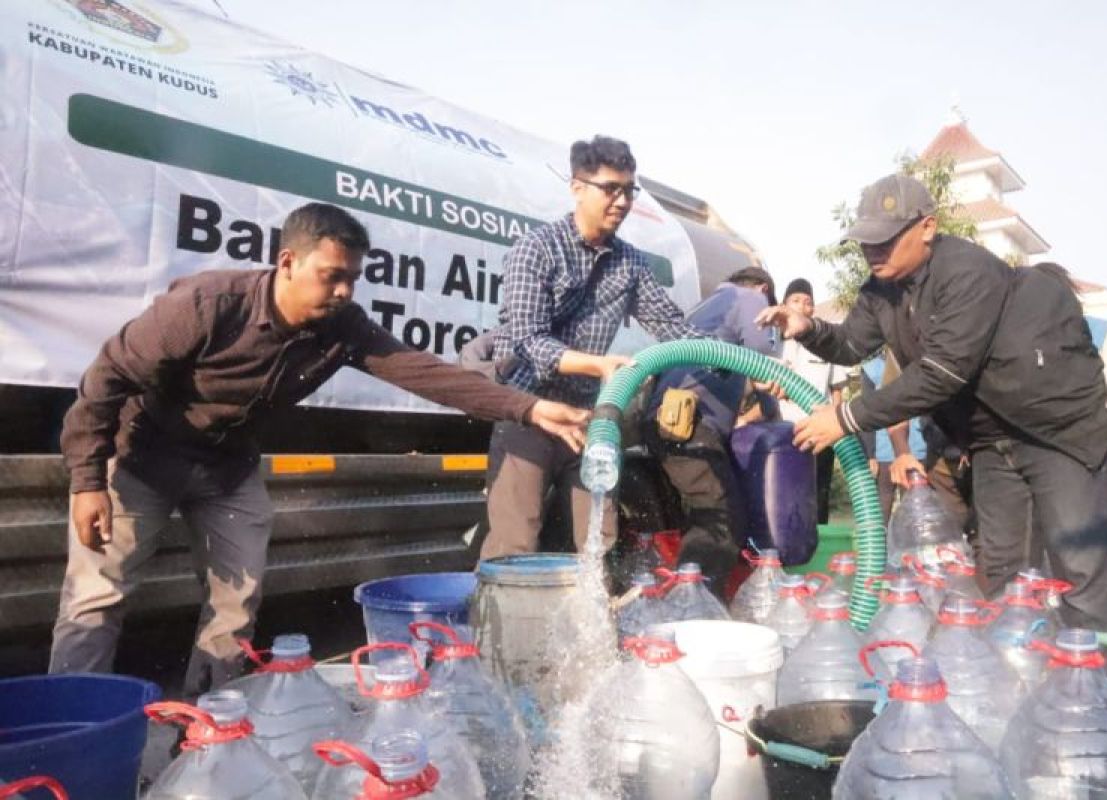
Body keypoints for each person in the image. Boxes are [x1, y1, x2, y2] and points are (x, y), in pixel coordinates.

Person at [50, 203, 588, 696]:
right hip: (144, 458)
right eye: (332, 276)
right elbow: (107, 378)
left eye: (353, 278)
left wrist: (530, 408)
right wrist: (88, 480)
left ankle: (211, 724)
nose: (344, 292)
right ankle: (69, 724)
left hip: (226, 472)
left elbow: (425, 373)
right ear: (288, 262)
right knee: (97, 597)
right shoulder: (207, 305)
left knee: (235, 609)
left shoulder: (342, 329)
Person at [758, 173, 1107, 672]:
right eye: (865, 241)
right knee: (1002, 574)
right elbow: (852, 344)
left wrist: (845, 417)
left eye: (885, 239)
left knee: (1082, 568)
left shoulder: (968, 272)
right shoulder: (882, 287)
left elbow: (942, 374)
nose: (873, 250)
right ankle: (1014, 689)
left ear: (927, 227)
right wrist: (807, 329)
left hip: (1059, 434)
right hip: (993, 440)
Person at [480, 135, 698, 560]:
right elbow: (526, 340)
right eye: (610, 189)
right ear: (577, 187)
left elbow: (672, 327)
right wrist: (598, 366)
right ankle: (500, 627)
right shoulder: (537, 248)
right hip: (530, 412)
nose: (621, 201)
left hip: (589, 421)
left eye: (629, 191)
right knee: (514, 545)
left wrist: (743, 364)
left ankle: (595, 626)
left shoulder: (631, 262)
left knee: (600, 544)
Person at [644, 267, 779, 593]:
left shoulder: (706, 307)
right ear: (763, 288)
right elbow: (765, 362)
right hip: (689, 423)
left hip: (661, 421)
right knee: (720, 521)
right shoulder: (750, 298)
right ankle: (694, 611)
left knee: (699, 516)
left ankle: (677, 597)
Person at [776, 278, 850, 524]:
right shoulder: (773, 343)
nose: (801, 306)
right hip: (785, 430)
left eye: (807, 302)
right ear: (783, 305)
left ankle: (817, 545)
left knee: (818, 493)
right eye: (795, 300)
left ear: (813, 310)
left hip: (820, 431)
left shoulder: (825, 345)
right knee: (784, 492)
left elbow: (837, 389)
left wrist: (838, 424)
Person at [858, 353, 927, 524]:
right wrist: (870, 454)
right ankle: (882, 548)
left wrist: (870, 454)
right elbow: (867, 414)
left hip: (913, 449)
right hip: (891, 451)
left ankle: (900, 548)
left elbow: (867, 413)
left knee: (910, 507)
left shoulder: (872, 368)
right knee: (887, 506)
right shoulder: (873, 370)